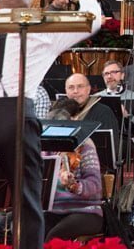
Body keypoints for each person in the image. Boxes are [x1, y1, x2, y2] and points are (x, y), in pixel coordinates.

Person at [0, 0, 101, 248]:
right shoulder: (42, 31)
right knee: (28, 202)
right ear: (29, 10)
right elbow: (93, 22)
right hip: (18, 115)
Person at [43, 98, 104, 241]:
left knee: (54, 239)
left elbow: (95, 185)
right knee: (23, 229)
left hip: (85, 211)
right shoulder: (44, 145)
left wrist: (75, 186)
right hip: (53, 210)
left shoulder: (85, 146)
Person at [96, 59, 134, 135]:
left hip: (126, 139)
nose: (109, 76)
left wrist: (128, 116)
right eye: (106, 73)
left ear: (122, 75)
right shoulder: (96, 98)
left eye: (114, 72)